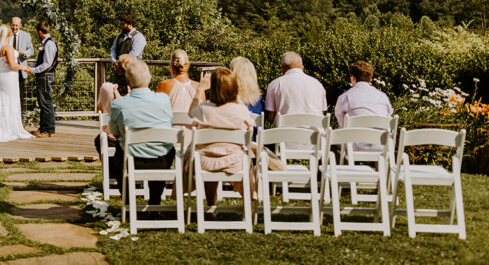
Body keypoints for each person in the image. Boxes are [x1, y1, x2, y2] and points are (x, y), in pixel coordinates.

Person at [104, 59, 175, 205]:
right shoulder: (164, 99)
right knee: (165, 148)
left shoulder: (119, 104)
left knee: (118, 151)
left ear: (128, 81)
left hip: (131, 160)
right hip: (161, 160)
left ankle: (128, 201)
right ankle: (155, 201)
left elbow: (115, 134)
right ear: (150, 78)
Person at [189, 67, 255, 203]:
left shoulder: (204, 109)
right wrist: (234, 94)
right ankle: (247, 204)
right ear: (234, 88)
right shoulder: (241, 111)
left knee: (207, 152)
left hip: (205, 162)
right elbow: (250, 125)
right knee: (247, 159)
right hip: (235, 161)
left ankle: (210, 205)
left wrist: (200, 89)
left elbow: (190, 113)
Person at [264, 51, 327, 125]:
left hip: (285, 135)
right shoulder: (317, 84)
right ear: (302, 68)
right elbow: (322, 112)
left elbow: (270, 117)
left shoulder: (274, 85)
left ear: (283, 69)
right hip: (315, 134)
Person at [29, 20, 58, 138]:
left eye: (37, 32)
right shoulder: (46, 43)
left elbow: (47, 64)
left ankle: (49, 129)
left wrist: (32, 70)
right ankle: (43, 128)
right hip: (43, 75)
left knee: (46, 102)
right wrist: (30, 67)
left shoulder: (49, 44)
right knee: (43, 102)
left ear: (40, 32)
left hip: (46, 75)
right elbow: (40, 62)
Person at [109, 14, 146, 95]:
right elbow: (113, 49)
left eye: (123, 24)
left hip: (133, 73)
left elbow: (134, 54)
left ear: (130, 24)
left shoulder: (138, 37)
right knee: (118, 94)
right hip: (120, 73)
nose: (121, 26)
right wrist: (113, 60)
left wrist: (121, 63)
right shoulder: (119, 36)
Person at [10, 16, 35, 112]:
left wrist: (24, 53)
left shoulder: (26, 35)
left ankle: (19, 117)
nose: (14, 28)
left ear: (20, 25)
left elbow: (31, 50)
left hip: (21, 70)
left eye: (16, 25)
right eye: (12, 25)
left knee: (20, 95)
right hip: (9, 69)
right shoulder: (7, 35)